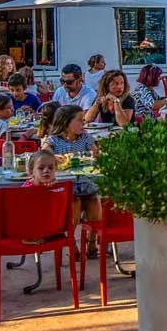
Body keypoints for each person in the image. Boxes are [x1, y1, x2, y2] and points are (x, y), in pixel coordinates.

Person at [42, 106, 100, 257]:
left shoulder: (85, 137)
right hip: (66, 187)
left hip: (86, 183)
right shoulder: (54, 140)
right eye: (80, 120)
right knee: (74, 207)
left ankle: (92, 242)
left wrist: (95, 156)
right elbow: (44, 154)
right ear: (66, 123)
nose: (83, 123)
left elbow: (96, 154)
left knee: (94, 206)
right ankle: (70, 242)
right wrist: (52, 158)